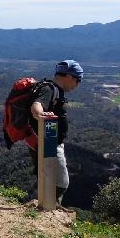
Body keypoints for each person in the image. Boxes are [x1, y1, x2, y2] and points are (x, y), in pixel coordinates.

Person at [28, 59, 84, 205]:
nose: (77, 85)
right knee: (61, 182)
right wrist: (40, 114)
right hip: (48, 142)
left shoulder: (53, 89)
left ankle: (40, 204)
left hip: (46, 140)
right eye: (77, 80)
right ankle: (47, 207)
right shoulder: (49, 90)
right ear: (69, 77)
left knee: (46, 176)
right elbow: (37, 105)